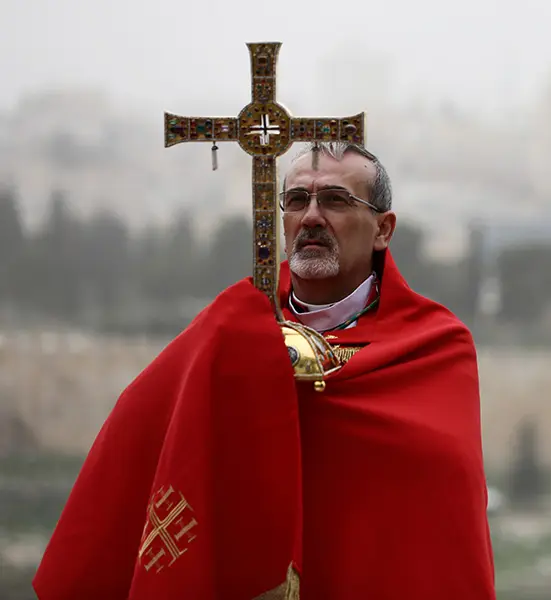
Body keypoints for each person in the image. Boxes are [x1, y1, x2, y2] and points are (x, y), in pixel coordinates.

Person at [33, 143, 497, 600]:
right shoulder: (228, 324)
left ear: (383, 229)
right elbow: (142, 425)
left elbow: (441, 514)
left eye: (335, 200)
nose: (311, 217)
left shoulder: (436, 346)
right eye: (297, 200)